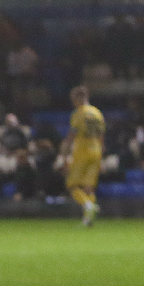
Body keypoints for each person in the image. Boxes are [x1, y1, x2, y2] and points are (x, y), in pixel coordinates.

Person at [58, 86, 105, 226]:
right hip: (96, 151)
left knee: (72, 185)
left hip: (82, 151)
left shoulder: (79, 114)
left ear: (79, 98)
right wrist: (101, 156)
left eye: (74, 99)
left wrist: (65, 154)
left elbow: (72, 135)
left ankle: (87, 206)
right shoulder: (97, 113)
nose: (73, 102)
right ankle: (88, 218)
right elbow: (101, 136)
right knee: (89, 187)